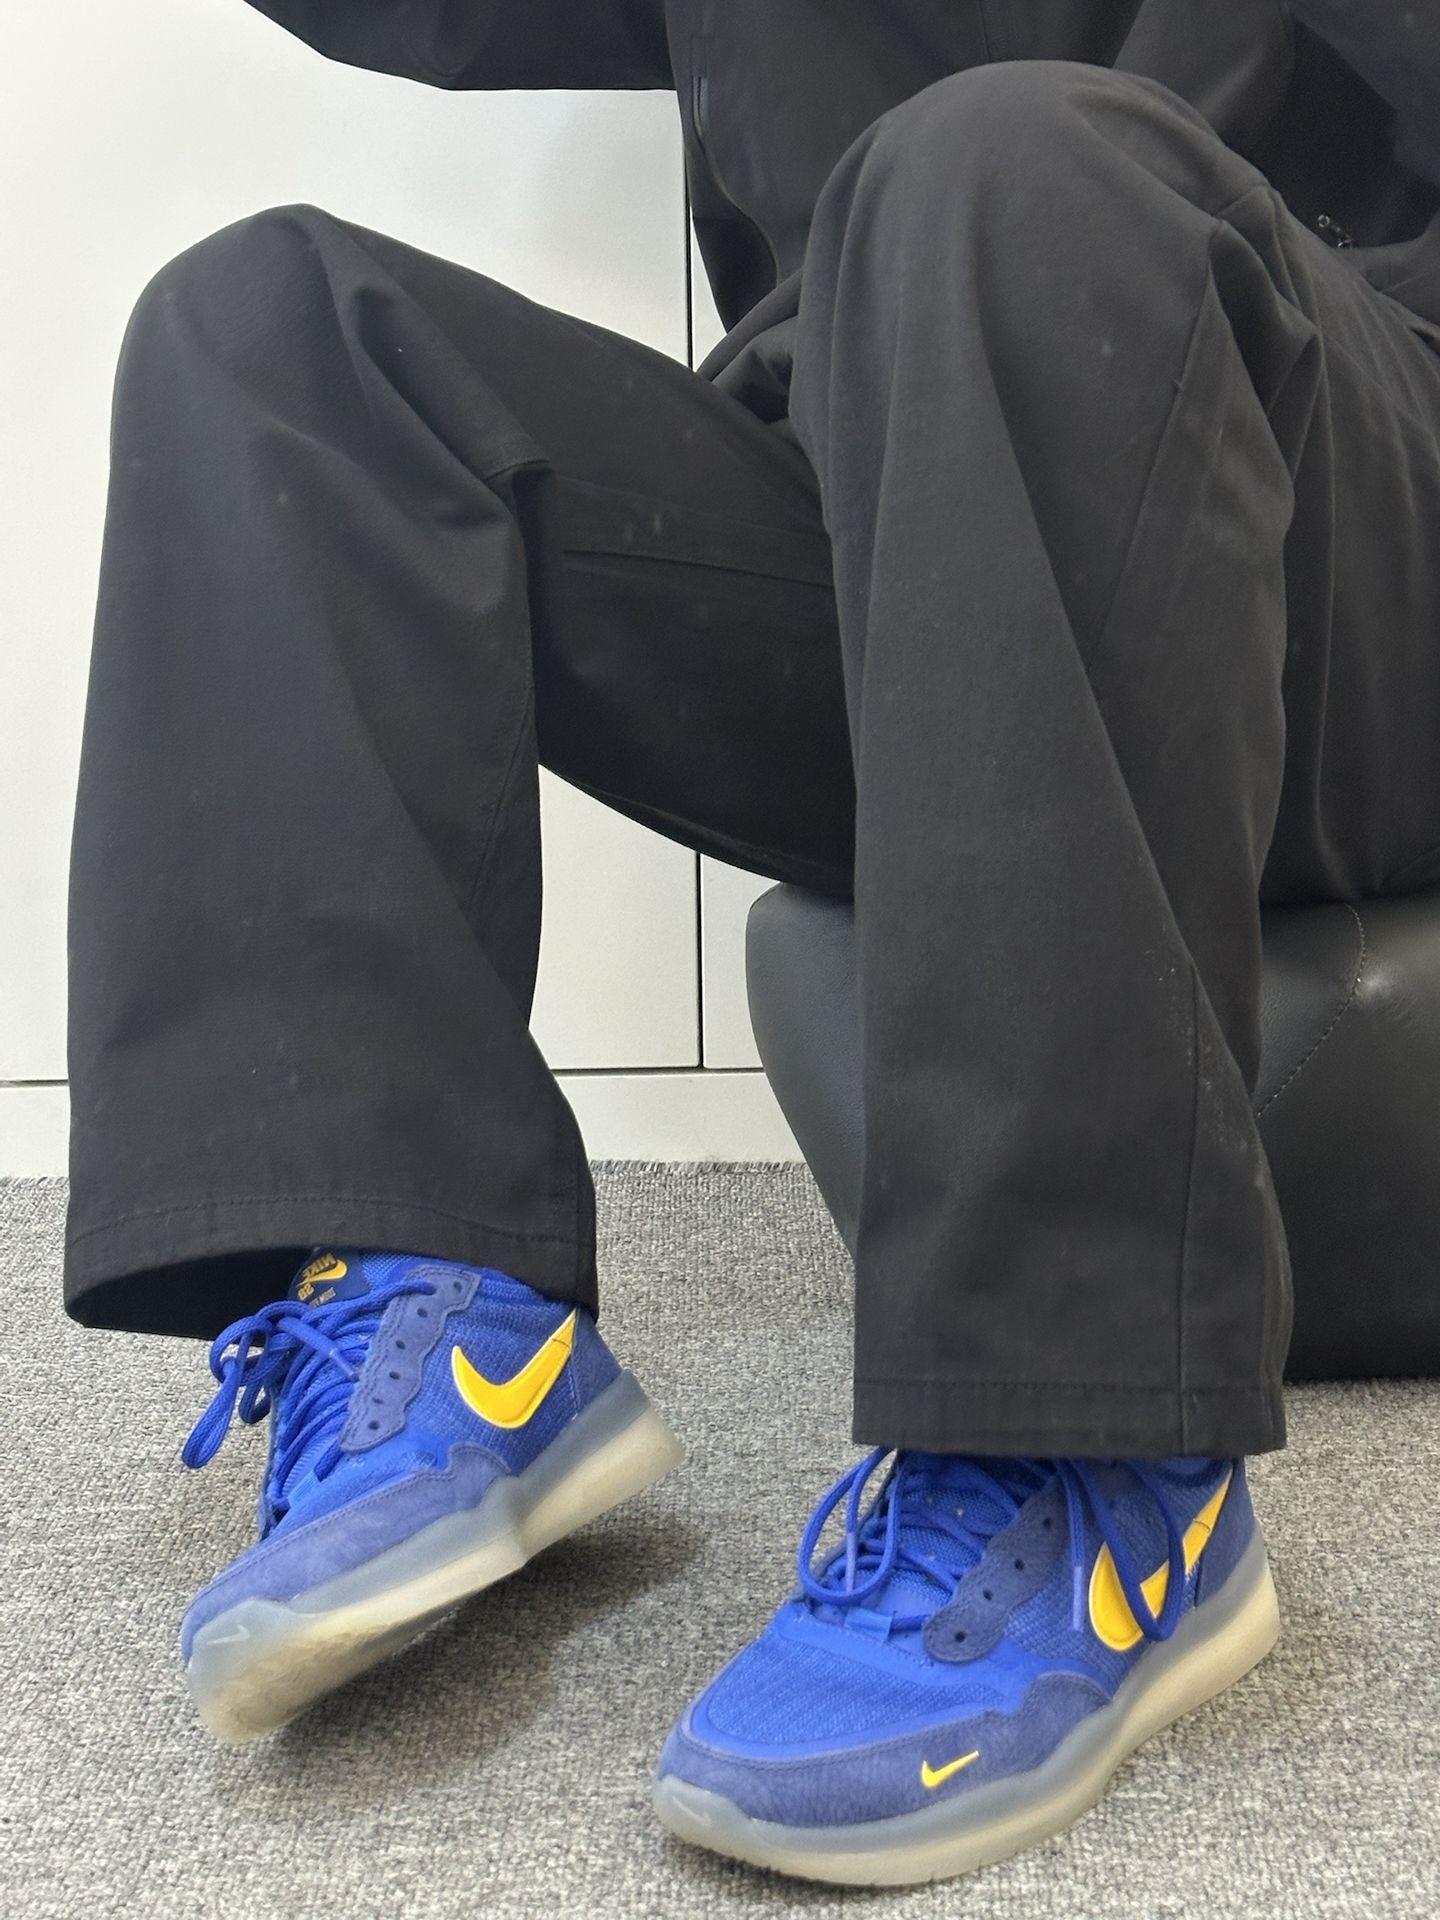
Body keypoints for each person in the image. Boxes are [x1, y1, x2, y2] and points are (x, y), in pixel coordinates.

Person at [62, 0, 1440, 1890]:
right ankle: (432, 1300)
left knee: (1007, 165)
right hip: (907, 530)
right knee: (269, 329)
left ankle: (1090, 1449)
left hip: (1350, 500)